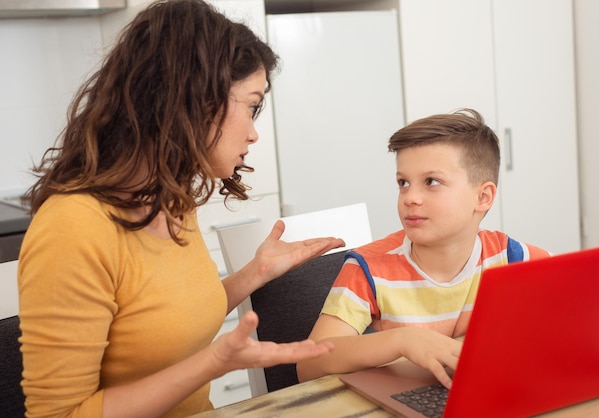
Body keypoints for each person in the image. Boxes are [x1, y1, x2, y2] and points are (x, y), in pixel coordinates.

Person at [17, 1, 345, 417]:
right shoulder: (73, 228)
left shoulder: (170, 202)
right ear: (195, 100)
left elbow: (167, 322)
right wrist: (211, 363)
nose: (254, 132)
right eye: (251, 105)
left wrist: (254, 274)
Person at [296, 108, 551, 389]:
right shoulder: (369, 268)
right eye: (403, 183)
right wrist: (402, 340)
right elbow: (309, 363)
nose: (410, 198)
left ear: (483, 196)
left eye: (431, 182)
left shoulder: (514, 258)